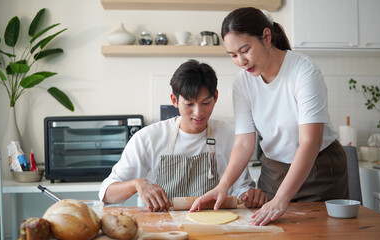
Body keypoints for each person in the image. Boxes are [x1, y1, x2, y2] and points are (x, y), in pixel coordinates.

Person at [190, 7, 349, 225]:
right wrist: (223, 185)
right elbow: (245, 143)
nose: (241, 61)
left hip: (318, 169)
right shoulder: (242, 83)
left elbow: (311, 141)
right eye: (233, 55)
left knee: (317, 231)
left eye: (245, 50)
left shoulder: (303, 71)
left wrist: (281, 199)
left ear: (266, 37)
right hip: (274, 170)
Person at [99, 59, 268, 211]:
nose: (198, 112)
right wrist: (137, 184)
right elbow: (106, 193)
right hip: (163, 230)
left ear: (215, 97)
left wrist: (249, 195)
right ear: (174, 100)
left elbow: (240, 187)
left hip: (214, 227)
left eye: (206, 103)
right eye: (189, 104)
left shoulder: (230, 135)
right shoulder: (147, 138)